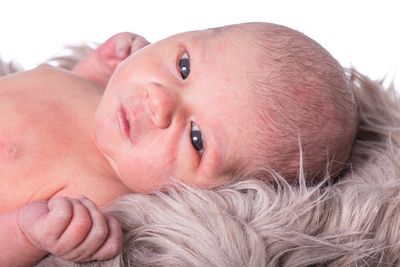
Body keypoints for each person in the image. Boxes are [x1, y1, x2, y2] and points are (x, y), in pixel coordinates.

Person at [0, 22, 357, 266]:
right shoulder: (105, 96)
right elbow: (57, 93)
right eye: (183, 67)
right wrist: (94, 68)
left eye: (196, 138)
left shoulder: (101, 198)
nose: (159, 101)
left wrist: (27, 233)